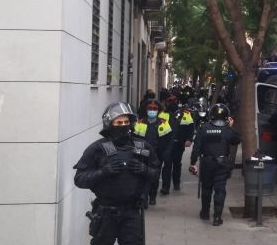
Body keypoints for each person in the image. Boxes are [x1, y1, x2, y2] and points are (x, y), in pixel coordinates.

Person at [74, 102, 158, 245]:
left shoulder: (142, 146)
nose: (123, 125)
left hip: (132, 212)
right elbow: (79, 179)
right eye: (119, 122)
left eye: (126, 121)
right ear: (109, 123)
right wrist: (103, 172)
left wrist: (145, 170)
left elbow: (155, 174)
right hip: (106, 213)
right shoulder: (98, 148)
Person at [189, 103, 241, 226]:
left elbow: (196, 147)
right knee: (220, 190)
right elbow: (237, 140)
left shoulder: (204, 128)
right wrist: (231, 127)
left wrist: (193, 163)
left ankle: (205, 213)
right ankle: (217, 217)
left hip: (207, 163)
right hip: (222, 164)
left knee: (206, 188)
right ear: (226, 116)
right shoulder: (227, 130)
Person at [134, 100, 173, 206]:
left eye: (154, 109)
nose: (152, 110)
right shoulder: (140, 122)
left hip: (157, 154)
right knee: (143, 176)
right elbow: (135, 139)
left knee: (154, 176)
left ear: (159, 110)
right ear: (146, 110)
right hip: (143, 154)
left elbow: (169, 140)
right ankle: (144, 197)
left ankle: (152, 196)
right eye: (150, 108)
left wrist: (166, 153)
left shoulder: (164, 123)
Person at [159, 96, 195, 194]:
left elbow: (191, 127)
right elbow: (158, 129)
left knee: (177, 164)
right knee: (167, 165)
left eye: (173, 101)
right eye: (169, 101)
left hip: (179, 143)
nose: (171, 103)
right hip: (167, 144)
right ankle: (165, 187)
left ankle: (176, 183)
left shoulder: (185, 113)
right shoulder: (164, 114)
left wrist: (189, 139)